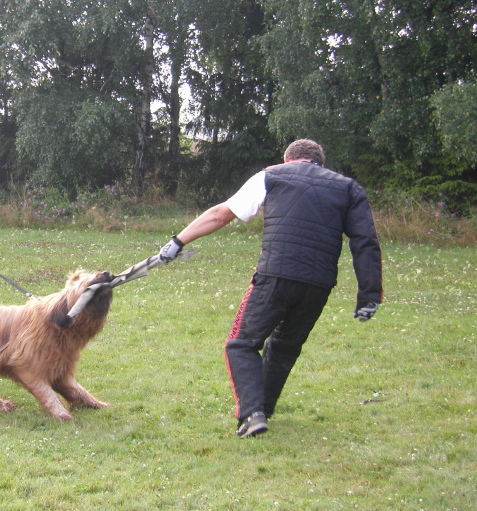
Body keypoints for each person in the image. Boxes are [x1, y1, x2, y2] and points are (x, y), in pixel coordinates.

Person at [158, 139, 382, 437]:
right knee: (285, 347)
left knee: (241, 343)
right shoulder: (348, 187)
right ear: (320, 163)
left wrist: (178, 241)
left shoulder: (273, 174)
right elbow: (365, 241)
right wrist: (369, 294)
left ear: (288, 159)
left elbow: (221, 214)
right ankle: (261, 412)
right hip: (320, 283)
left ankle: (252, 414)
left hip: (276, 275)